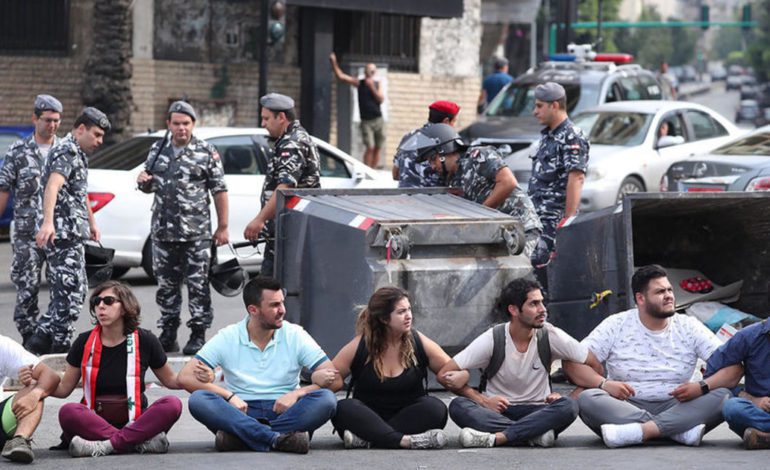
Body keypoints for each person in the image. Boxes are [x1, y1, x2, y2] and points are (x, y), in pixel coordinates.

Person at [563, 265, 738, 448]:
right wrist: (604, 384)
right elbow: (572, 364)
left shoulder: (689, 326)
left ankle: (641, 432)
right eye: (660, 292)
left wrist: (701, 387)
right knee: (587, 398)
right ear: (640, 298)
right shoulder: (616, 324)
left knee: (723, 395)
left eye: (669, 289)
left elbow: (734, 368)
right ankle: (676, 431)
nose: (669, 295)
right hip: (625, 405)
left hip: (679, 405)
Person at [436, 278, 602, 448]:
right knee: (458, 406)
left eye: (542, 303)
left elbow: (596, 367)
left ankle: (499, 438)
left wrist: (569, 397)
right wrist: (484, 401)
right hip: (498, 412)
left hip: (540, 411)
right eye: (534, 304)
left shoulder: (551, 335)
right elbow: (443, 374)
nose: (542, 310)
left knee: (568, 406)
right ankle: (533, 435)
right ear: (514, 310)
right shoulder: (493, 338)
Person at [42, 281, 201, 458]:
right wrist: (39, 382)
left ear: (125, 307)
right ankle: (135, 443)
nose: (101, 306)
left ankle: (106, 446)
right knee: (69, 411)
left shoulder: (146, 340)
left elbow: (171, 380)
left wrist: (198, 376)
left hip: (137, 421)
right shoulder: (84, 341)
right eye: (96, 301)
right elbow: (64, 389)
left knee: (172, 404)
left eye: (108, 301)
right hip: (95, 422)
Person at [179, 276, 337, 454]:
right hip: (241, 411)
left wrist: (297, 393)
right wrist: (229, 396)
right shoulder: (229, 336)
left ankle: (242, 437)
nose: (282, 310)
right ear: (253, 310)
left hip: (285, 410)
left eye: (282, 303)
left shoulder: (295, 334)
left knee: (326, 400)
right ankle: (278, 438)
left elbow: (335, 379)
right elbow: (184, 377)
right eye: (274, 305)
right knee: (199, 400)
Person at [137, 101, 230, 356]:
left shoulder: (206, 151)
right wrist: (143, 182)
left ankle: (198, 333)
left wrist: (222, 227)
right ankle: (168, 333)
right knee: (166, 287)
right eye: (176, 123)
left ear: (193, 125)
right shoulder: (158, 149)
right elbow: (149, 185)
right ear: (168, 124)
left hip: (196, 235)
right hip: (164, 234)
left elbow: (219, 190)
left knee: (198, 286)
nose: (181, 128)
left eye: (186, 123)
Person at [311, 286, 453, 449]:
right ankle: (405, 441)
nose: (409, 316)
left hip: (408, 416)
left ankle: (370, 438)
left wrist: (460, 376)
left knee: (436, 408)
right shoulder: (361, 345)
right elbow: (331, 378)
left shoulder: (417, 341)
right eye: (401, 312)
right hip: (367, 416)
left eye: (409, 310)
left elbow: (451, 370)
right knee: (344, 408)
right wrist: (316, 377)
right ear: (384, 319)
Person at [27, 107, 110, 355]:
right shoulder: (66, 151)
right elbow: (52, 186)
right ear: (80, 129)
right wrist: (48, 222)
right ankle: (61, 349)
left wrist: (92, 223)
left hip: (73, 233)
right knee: (68, 294)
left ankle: (39, 341)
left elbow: (79, 192)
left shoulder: (77, 153)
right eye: (96, 135)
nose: (100, 141)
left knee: (75, 291)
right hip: (62, 234)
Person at [413, 123, 543, 261]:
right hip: (501, 235)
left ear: (444, 150)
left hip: (522, 230)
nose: (433, 166)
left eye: (433, 159)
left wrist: (480, 214)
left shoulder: (479, 155)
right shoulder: (453, 177)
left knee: (519, 275)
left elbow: (508, 182)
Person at [0, 95, 62, 348]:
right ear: (35, 118)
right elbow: (4, 188)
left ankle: (51, 335)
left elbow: (81, 191)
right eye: (47, 120)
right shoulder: (17, 151)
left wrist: (91, 224)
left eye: (57, 120)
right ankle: (29, 338)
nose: (53, 125)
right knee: (27, 288)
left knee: (64, 287)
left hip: (60, 231)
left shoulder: (66, 149)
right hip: (27, 233)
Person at [244, 93, 320, 277]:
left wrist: (259, 220)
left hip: (291, 231)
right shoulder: (291, 138)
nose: (263, 124)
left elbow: (285, 187)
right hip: (286, 230)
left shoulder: (292, 143)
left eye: (266, 118)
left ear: (282, 117)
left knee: (273, 289)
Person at [528, 82, 589, 269]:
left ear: (554, 105)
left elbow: (576, 178)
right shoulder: (548, 136)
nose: (534, 111)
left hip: (554, 220)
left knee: (548, 276)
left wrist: (568, 222)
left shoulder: (572, 136)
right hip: (539, 218)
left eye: (539, 106)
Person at [705, 319, 770, 449]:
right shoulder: (749, 336)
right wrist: (754, 400)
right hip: (760, 413)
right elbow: (711, 374)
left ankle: (763, 438)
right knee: (732, 408)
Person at [0, 335, 60, 463]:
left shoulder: (2, 345)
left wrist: (35, 392)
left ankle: (19, 441)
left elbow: (50, 376)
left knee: (36, 387)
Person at [330, 52, 385, 168]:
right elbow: (341, 77)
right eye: (369, 70)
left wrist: (372, 87)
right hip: (366, 121)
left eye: (373, 71)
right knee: (369, 146)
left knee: (378, 147)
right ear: (365, 72)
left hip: (378, 119)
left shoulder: (377, 83)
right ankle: (366, 169)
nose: (371, 73)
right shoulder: (359, 83)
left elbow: (380, 99)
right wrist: (334, 62)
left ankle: (374, 171)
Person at [391, 100, 460, 188]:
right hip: (433, 199)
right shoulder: (447, 141)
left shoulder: (408, 136)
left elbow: (395, 174)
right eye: (453, 122)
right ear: (446, 121)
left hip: (404, 197)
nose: (453, 126)